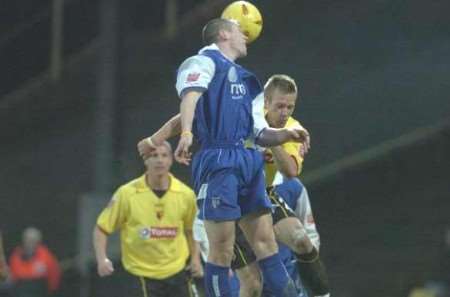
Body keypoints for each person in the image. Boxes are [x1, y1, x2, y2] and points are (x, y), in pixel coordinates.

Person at [143, 18, 309, 297]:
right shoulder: (203, 61)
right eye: (238, 31)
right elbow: (190, 96)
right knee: (222, 250)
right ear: (223, 34)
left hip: (246, 159)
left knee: (267, 242)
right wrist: (185, 132)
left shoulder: (245, 78)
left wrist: (286, 136)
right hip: (218, 159)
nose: (246, 35)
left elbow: (256, 131)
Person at [93, 141, 201, 297]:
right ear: (145, 160)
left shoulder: (185, 195)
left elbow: (193, 230)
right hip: (140, 273)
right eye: (154, 155)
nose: (159, 160)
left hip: (177, 272)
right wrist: (102, 259)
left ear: (171, 160)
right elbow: (101, 228)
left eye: (164, 155)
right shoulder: (126, 194)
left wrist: (195, 258)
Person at [9, 227, 61, 297]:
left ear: (38, 241)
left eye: (33, 240)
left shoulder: (46, 256)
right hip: (20, 290)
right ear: (23, 240)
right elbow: (13, 276)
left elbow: (54, 275)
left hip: (39, 291)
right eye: (27, 239)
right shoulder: (16, 255)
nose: (30, 242)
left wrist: (51, 291)